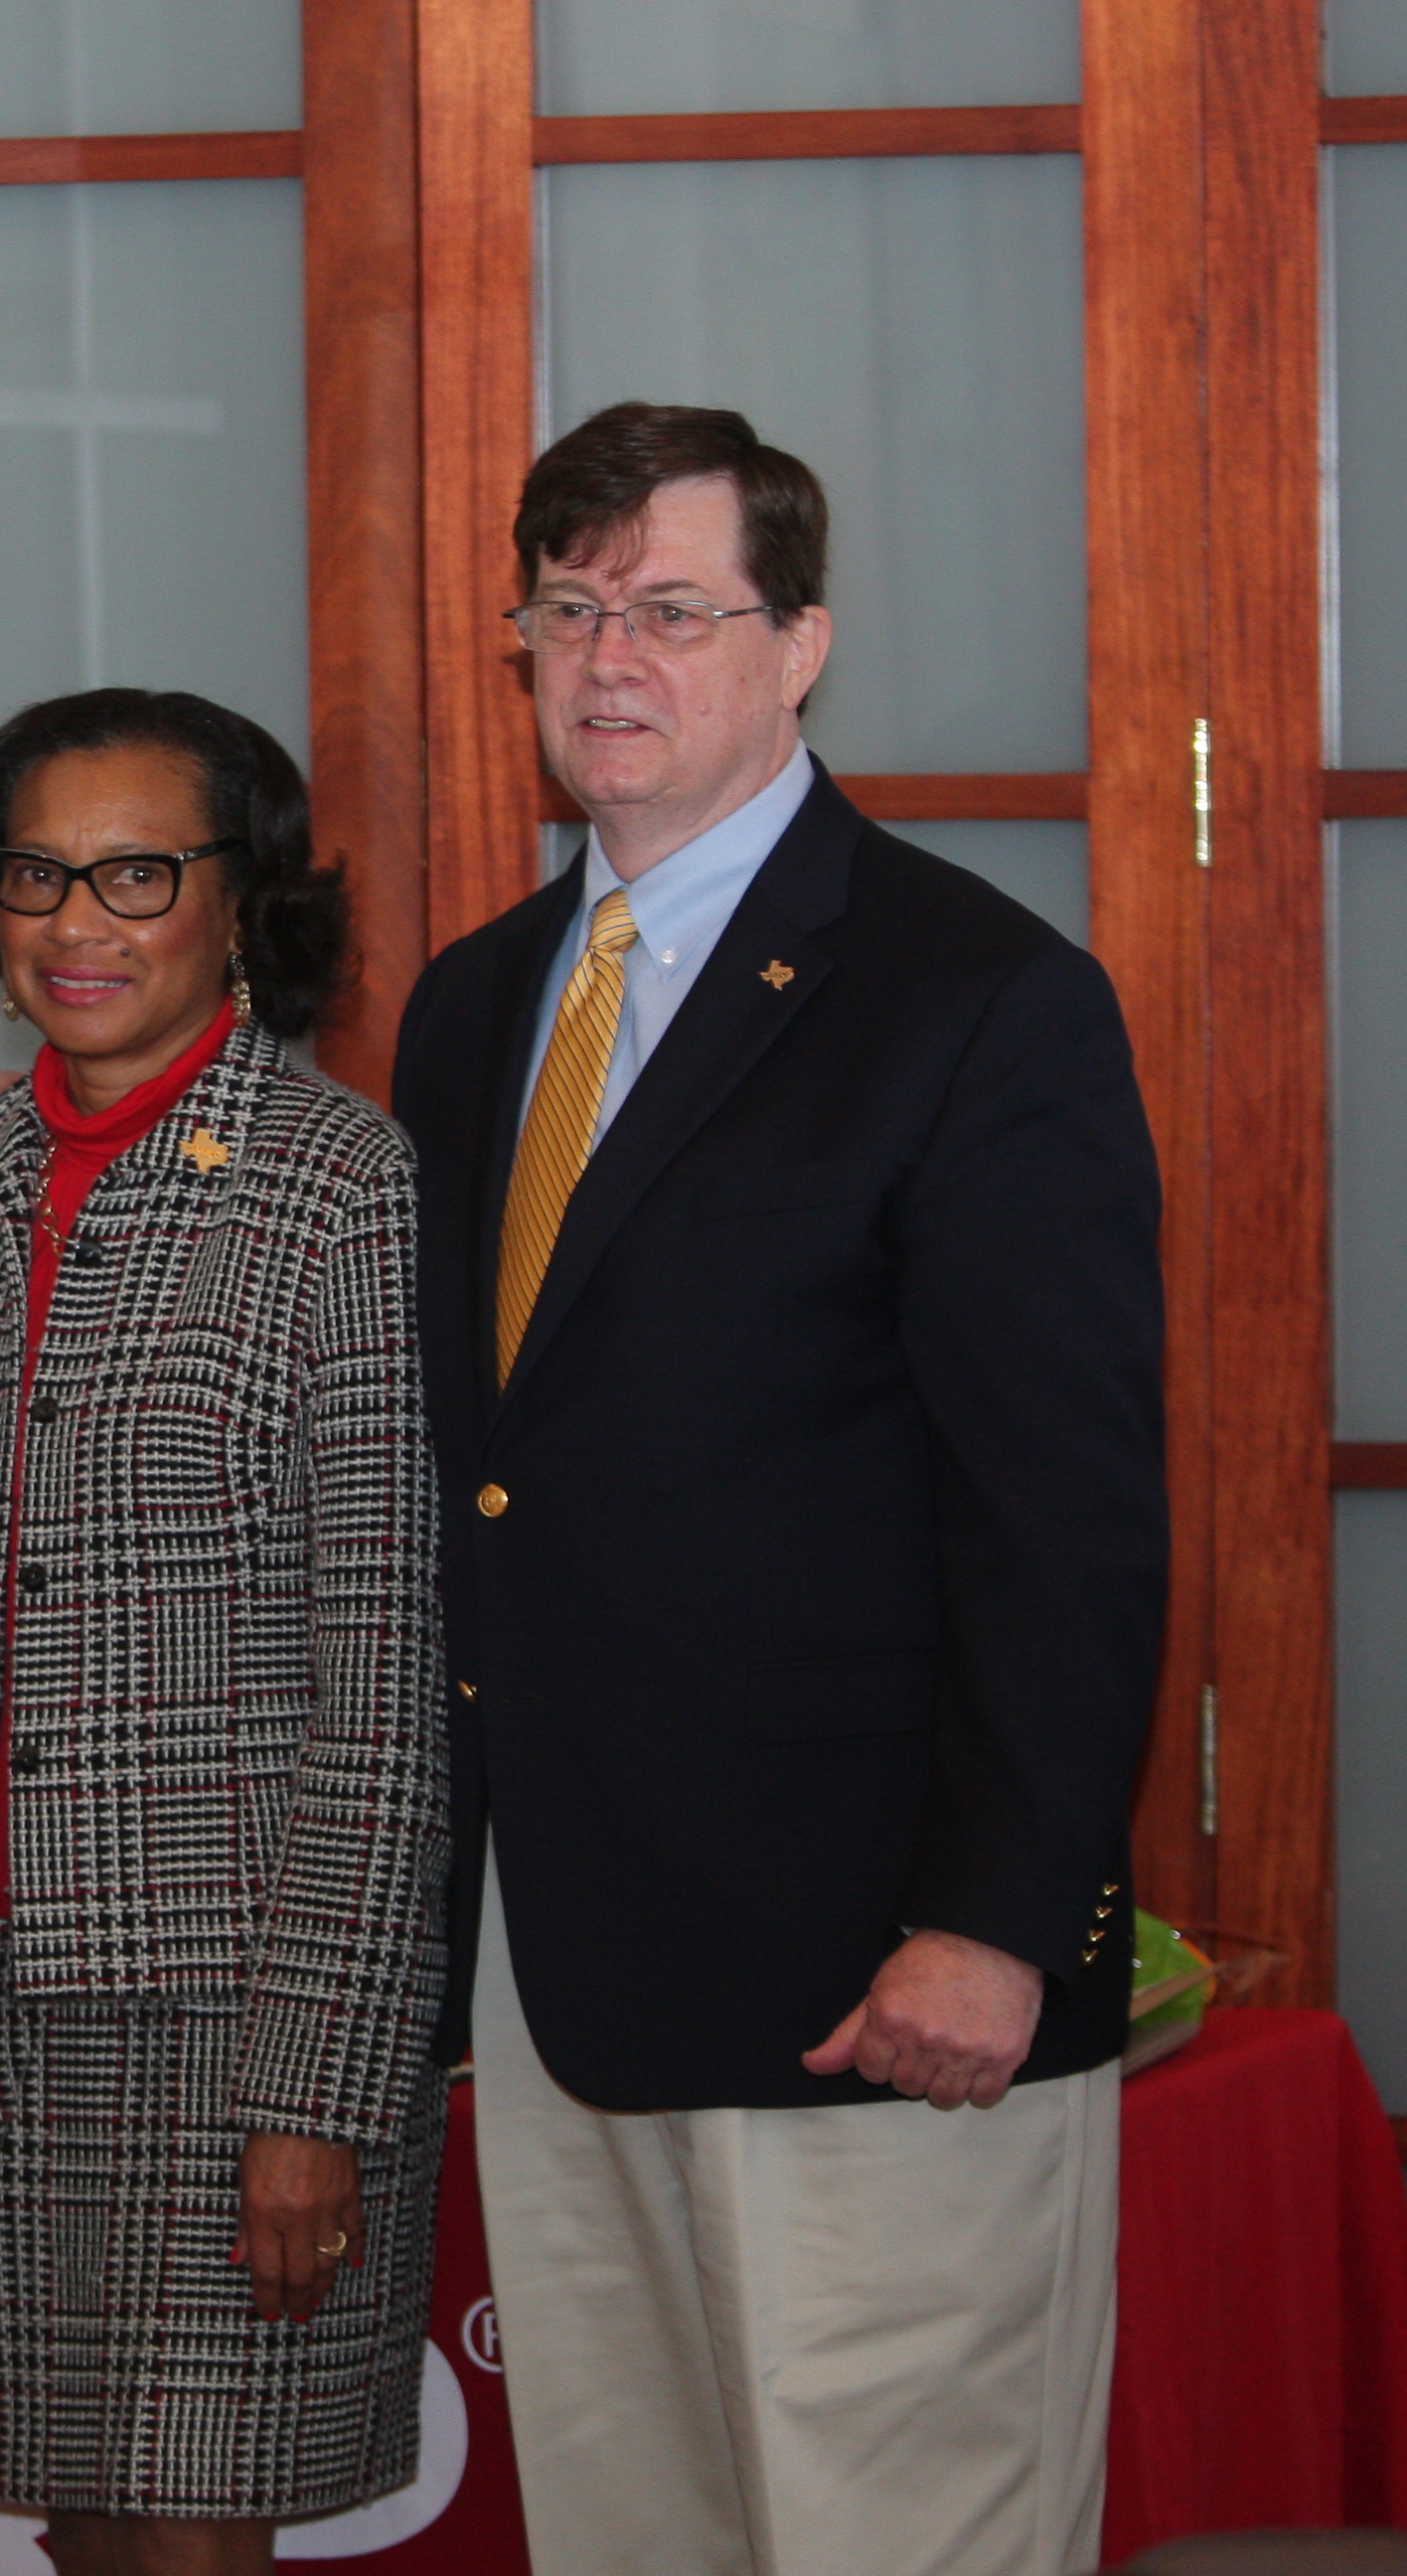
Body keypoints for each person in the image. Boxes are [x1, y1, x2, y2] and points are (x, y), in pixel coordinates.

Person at [390, 402, 1165, 2576]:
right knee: (645, 2530)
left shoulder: (978, 997)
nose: (609, 658)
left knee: (892, 2532)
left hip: (879, 1980)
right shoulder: (474, 1008)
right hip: (569, 1967)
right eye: (568, 608)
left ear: (802, 642)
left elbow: (1071, 1515)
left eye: (674, 608)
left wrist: (1001, 1918)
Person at [0, 689, 450, 2576]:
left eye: (138, 872)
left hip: (238, 2007)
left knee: (190, 2543)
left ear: (243, 905)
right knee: (87, 2534)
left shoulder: (346, 1194)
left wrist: (316, 2096)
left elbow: (387, 1694)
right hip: (8, 2000)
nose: (78, 921)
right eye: (34, 874)